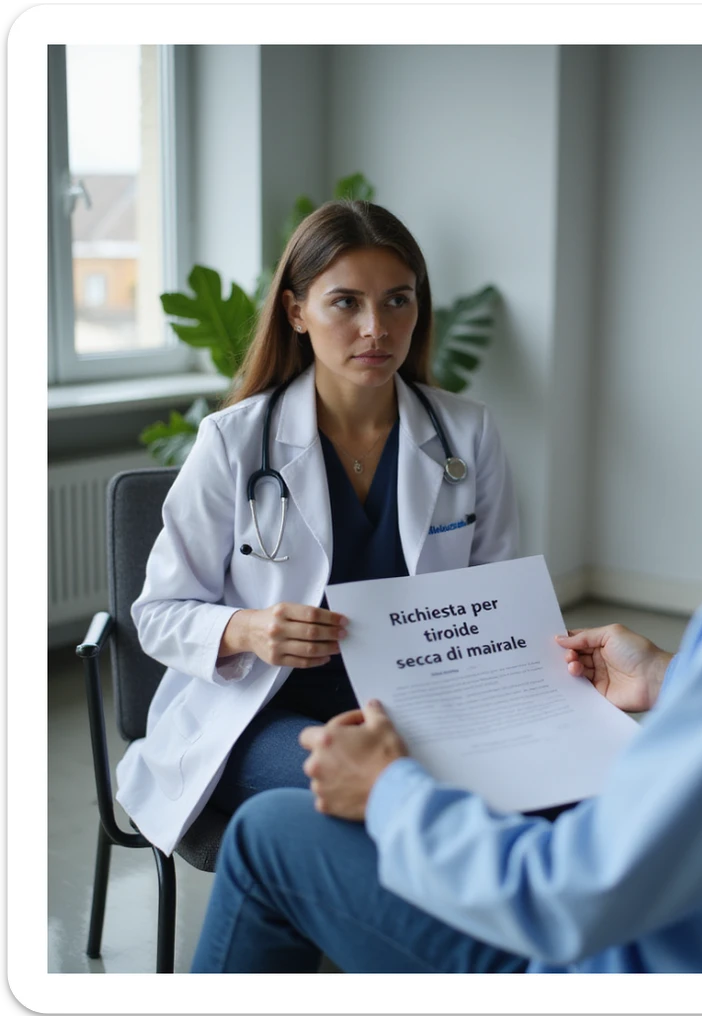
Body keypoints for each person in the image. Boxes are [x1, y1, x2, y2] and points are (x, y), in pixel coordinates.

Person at [191, 111, 702, 974]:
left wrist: (390, 793)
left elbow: (563, 898)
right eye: (345, 302)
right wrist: (677, 682)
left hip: (621, 968)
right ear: (299, 312)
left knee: (272, 834)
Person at [115, 200, 519, 857]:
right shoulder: (234, 442)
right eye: (346, 303)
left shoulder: (467, 434)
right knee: (373, 806)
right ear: (297, 312)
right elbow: (156, 613)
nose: (376, 328)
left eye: (397, 301)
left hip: (413, 706)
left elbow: (500, 599)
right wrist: (246, 628)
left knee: (521, 794)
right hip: (260, 711)